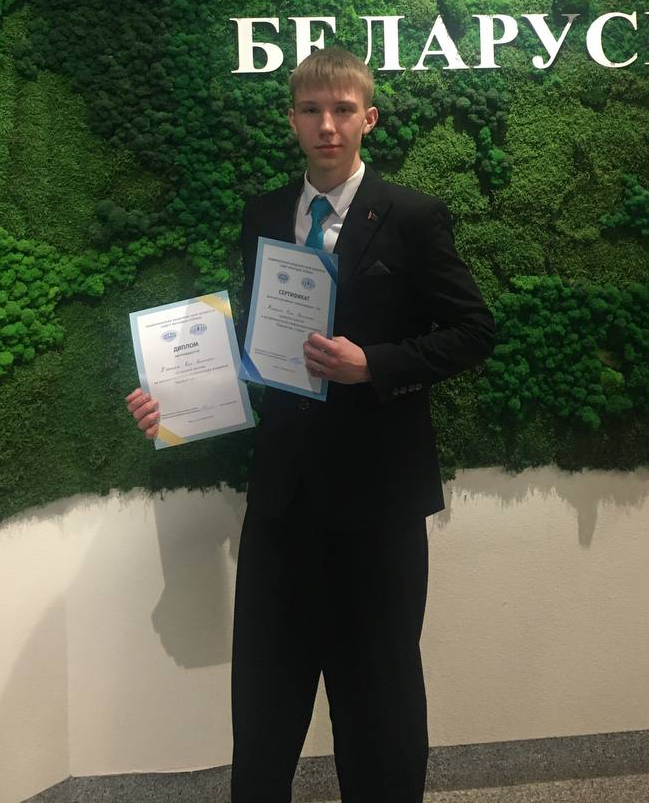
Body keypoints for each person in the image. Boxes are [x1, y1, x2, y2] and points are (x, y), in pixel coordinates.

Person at [127, 46, 495, 802]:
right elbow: (263, 346)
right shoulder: (264, 213)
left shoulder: (413, 217)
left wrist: (375, 365)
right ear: (292, 120)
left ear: (369, 118)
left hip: (378, 503)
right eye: (311, 110)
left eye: (342, 110)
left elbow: (474, 332)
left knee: (380, 701)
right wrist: (175, 400)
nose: (327, 125)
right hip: (283, 501)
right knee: (266, 698)